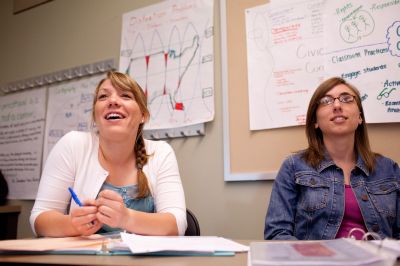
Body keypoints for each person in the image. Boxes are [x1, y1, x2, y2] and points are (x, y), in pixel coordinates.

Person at [30, 71, 187, 237]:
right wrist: (72, 224)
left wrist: (126, 218)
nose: (112, 101)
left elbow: (176, 224)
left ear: (143, 115)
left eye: (125, 96)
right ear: (95, 116)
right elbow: (39, 219)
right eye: (103, 97)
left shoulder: (161, 153)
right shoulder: (72, 145)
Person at [264, 77, 400, 240]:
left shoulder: (389, 169)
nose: (337, 105)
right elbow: (276, 234)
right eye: (326, 101)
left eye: (346, 99)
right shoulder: (294, 167)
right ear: (315, 121)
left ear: (360, 117)